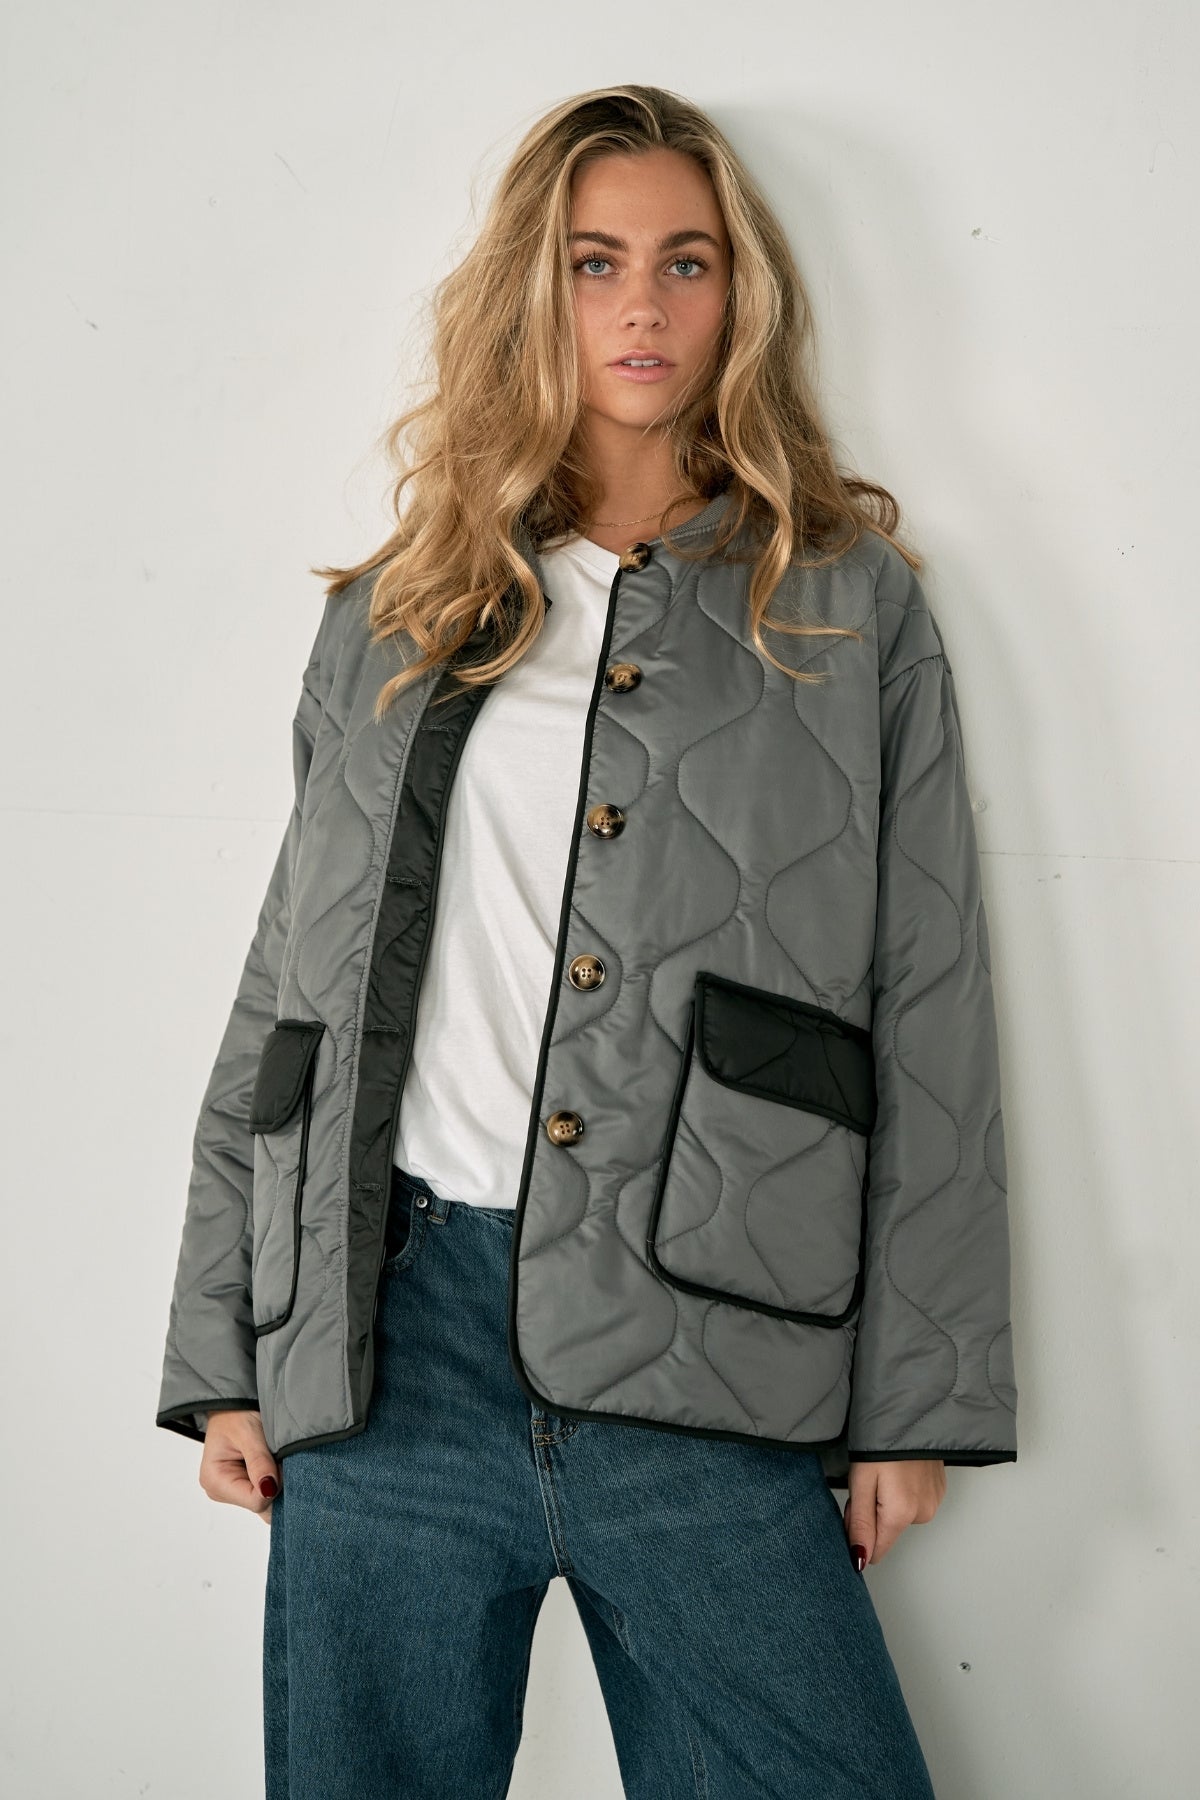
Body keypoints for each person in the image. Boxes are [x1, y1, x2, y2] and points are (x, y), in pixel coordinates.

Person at [156, 84, 1017, 1800]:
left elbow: (930, 997)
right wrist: (223, 1350)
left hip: (710, 1346)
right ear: (530, 291)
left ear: (741, 291)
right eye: (592, 261)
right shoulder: (398, 610)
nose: (642, 305)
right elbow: (287, 990)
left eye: (686, 261)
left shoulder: (845, 603)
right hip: (387, 1347)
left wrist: (911, 1400)